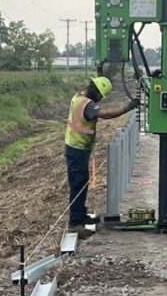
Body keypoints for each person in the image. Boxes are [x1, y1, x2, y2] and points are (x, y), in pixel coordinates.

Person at [64, 76, 138, 238]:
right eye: (100, 95)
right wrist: (127, 108)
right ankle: (75, 223)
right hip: (77, 148)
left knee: (82, 183)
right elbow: (104, 114)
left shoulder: (79, 97)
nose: (100, 99)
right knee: (78, 185)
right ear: (96, 91)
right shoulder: (87, 105)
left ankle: (81, 215)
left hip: (77, 147)